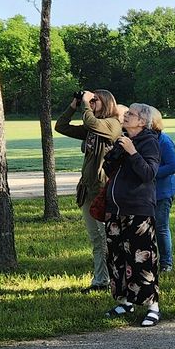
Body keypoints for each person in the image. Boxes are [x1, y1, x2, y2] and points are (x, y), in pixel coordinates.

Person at [54, 89, 121, 291]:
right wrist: (74, 104)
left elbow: (92, 123)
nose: (91, 103)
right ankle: (101, 280)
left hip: (102, 191)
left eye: (95, 101)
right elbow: (61, 126)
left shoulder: (112, 124)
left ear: (107, 103)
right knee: (96, 239)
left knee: (105, 239)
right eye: (90, 101)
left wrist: (85, 103)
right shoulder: (92, 129)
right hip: (87, 190)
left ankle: (110, 280)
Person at [103, 103, 162, 327]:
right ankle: (124, 300)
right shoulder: (124, 138)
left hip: (138, 210)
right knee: (117, 258)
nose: (125, 116)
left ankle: (152, 306)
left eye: (131, 114)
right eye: (126, 114)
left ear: (142, 121)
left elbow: (148, 173)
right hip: (116, 210)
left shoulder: (149, 142)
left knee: (141, 258)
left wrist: (132, 152)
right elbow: (109, 170)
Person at [149, 108, 175, 273]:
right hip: (147, 192)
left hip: (162, 192)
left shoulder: (164, 141)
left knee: (161, 227)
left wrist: (151, 173)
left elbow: (173, 165)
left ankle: (166, 263)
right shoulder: (145, 140)